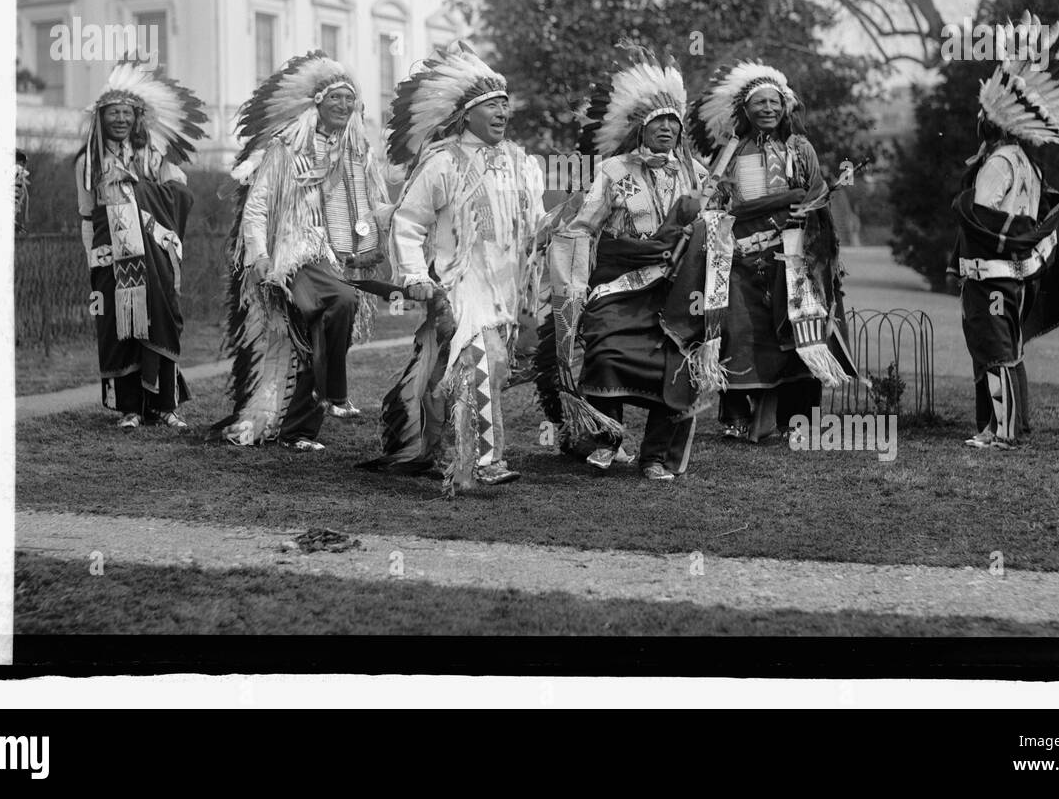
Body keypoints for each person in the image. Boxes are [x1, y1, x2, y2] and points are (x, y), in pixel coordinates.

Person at [360, 40, 544, 494]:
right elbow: (406, 223)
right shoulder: (442, 162)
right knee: (479, 362)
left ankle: (434, 445)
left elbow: (534, 222)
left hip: (505, 286)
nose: (503, 112)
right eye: (493, 106)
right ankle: (481, 462)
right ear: (467, 115)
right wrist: (416, 278)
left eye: (506, 105)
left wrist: (559, 225)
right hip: (459, 285)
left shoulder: (522, 163)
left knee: (488, 369)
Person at [951, 16, 1059, 449]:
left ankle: (1001, 434)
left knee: (994, 351)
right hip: (1016, 276)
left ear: (993, 123)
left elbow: (982, 218)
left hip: (990, 275)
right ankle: (1007, 427)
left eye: (981, 116)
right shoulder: (1028, 163)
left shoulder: (999, 163)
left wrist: (962, 208)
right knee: (1009, 351)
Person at [547, 49, 715, 481]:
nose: (666, 128)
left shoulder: (697, 174)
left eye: (673, 122)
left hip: (676, 292)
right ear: (640, 126)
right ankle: (607, 440)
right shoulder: (612, 170)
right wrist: (576, 284)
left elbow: (716, 226)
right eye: (658, 121)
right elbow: (582, 227)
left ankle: (654, 456)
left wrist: (703, 225)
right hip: (620, 286)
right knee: (605, 352)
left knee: (676, 367)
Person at [213, 52, 388, 452]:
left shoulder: (359, 152)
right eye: (335, 99)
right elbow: (257, 206)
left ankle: (298, 431)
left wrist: (402, 213)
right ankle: (335, 392)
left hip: (342, 258)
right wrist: (258, 257)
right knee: (340, 301)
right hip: (297, 255)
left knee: (313, 339)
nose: (344, 106)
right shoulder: (287, 148)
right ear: (317, 104)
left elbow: (375, 204)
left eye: (350, 100)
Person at [688, 61, 859, 443]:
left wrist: (809, 208)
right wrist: (786, 197)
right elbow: (724, 206)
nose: (768, 109)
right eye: (760, 103)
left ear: (786, 107)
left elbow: (816, 196)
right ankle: (738, 416)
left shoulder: (800, 148)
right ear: (744, 111)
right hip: (744, 262)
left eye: (775, 102)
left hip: (795, 260)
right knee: (743, 334)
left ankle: (794, 420)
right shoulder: (733, 150)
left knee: (798, 336)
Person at [75, 61, 208, 430]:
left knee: (162, 321)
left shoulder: (152, 156)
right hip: (111, 256)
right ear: (100, 118)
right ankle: (131, 408)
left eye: (126, 113)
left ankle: (166, 405)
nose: (120, 119)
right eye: (113, 112)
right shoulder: (89, 163)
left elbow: (179, 190)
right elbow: (87, 215)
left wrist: (140, 190)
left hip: (154, 254)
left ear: (137, 118)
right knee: (120, 328)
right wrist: (91, 260)